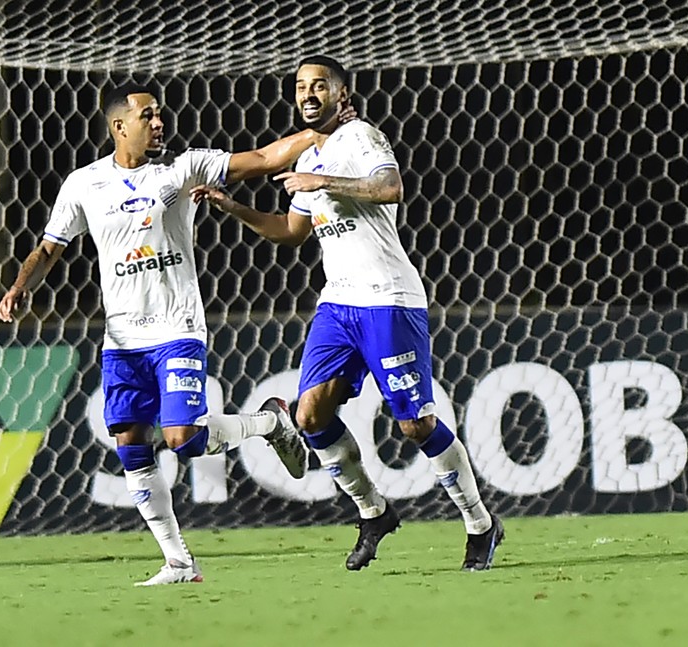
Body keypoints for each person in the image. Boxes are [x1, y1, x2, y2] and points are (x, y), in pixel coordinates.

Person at [0, 81, 349, 586]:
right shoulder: (84, 184)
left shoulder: (184, 168)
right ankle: (179, 562)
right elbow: (51, 246)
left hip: (176, 328)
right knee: (130, 446)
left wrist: (325, 130)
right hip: (121, 340)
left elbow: (265, 159)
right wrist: (19, 286)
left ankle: (270, 426)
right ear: (120, 127)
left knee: (182, 438)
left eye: (160, 115)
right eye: (148, 117)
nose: (159, 123)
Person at [191, 56, 504, 572]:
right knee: (310, 415)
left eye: (320, 86)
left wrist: (326, 182)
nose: (308, 94)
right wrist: (232, 207)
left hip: (387, 299)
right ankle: (373, 513)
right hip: (338, 303)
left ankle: (480, 524)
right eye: (300, 87)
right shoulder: (314, 152)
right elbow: (290, 232)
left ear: (341, 92)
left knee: (415, 426)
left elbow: (389, 188)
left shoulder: (361, 138)